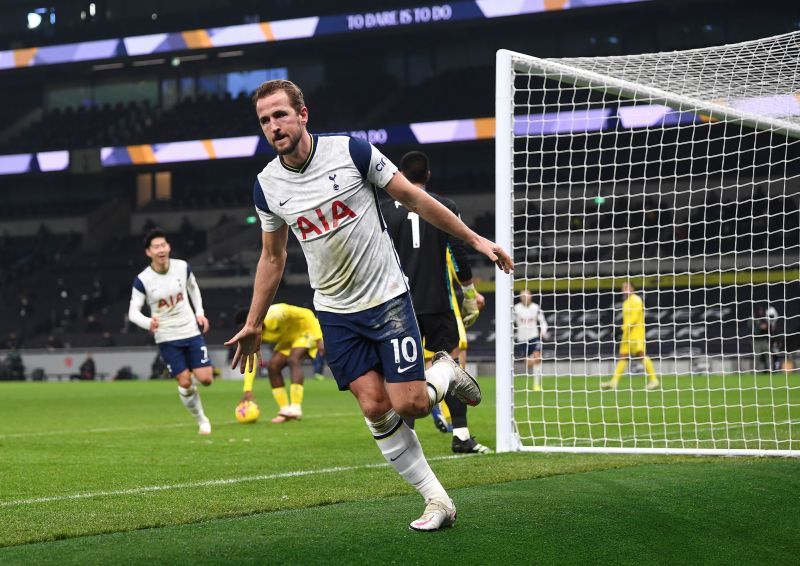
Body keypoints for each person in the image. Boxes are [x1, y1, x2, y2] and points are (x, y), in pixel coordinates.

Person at [225, 80, 513, 532]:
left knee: (412, 404)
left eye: (280, 115)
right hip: (336, 313)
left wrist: (476, 239)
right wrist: (253, 322)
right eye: (264, 120)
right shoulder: (267, 186)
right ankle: (438, 500)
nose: (273, 126)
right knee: (376, 407)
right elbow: (272, 256)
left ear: (303, 114)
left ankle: (445, 372)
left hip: (387, 299)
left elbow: (415, 197)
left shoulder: (352, 152)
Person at [381, 150, 490, 454]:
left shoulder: (386, 211)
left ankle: (405, 445)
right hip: (438, 303)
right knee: (449, 366)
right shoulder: (445, 205)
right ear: (427, 175)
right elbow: (458, 253)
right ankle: (462, 436)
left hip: (399, 306)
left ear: (400, 176)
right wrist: (469, 296)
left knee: (404, 371)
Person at [128, 228, 214, 435]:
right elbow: (133, 312)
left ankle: (187, 386)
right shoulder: (143, 280)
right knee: (185, 381)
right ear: (149, 252)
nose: (161, 250)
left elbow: (193, 288)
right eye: (156, 247)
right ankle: (202, 419)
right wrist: (149, 323)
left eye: (163, 245)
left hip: (190, 330)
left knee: (206, 379)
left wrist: (200, 313)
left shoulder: (182, 267)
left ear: (169, 247)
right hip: (167, 336)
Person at [235, 303, 324, 423]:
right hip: (287, 340)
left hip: (305, 331)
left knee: (293, 360)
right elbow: (250, 360)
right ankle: (285, 410)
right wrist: (247, 389)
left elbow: (307, 314)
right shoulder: (253, 334)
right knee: (273, 366)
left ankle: (296, 408)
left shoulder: (275, 313)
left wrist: (319, 339)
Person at [601, 281, 659, 390]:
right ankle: (614, 382)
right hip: (627, 334)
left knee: (641, 355)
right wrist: (622, 330)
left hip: (636, 333)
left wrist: (621, 329)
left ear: (632, 289)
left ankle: (654, 380)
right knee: (623, 357)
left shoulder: (636, 300)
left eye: (627, 287)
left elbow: (634, 318)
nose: (624, 289)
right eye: (623, 287)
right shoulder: (626, 302)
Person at [513, 289, 549, 391]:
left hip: (534, 337)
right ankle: (532, 364)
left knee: (538, 358)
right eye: (522, 295)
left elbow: (543, 322)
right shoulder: (516, 309)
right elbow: (511, 322)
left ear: (530, 296)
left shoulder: (536, 308)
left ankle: (536, 384)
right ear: (520, 297)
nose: (524, 297)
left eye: (527, 295)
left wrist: (543, 331)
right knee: (528, 364)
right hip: (522, 339)